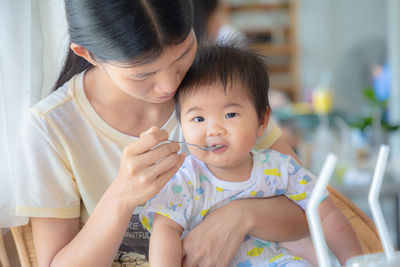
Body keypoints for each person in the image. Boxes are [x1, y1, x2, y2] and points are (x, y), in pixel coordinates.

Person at [14, 1, 311, 266]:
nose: (170, 85)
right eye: (143, 74)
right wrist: (121, 196)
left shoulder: (218, 86)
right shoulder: (51, 127)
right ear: (88, 54)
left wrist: (241, 216)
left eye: (183, 54)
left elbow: (310, 212)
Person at [140, 45, 363, 266]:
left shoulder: (280, 168)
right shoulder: (185, 178)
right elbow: (164, 230)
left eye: (230, 114)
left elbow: (326, 215)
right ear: (182, 125)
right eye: (198, 119)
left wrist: (356, 263)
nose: (214, 129)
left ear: (262, 120)